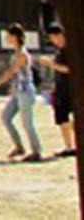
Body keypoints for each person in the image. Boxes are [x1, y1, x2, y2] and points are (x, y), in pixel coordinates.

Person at [0, 22, 43, 161]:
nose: (7, 38)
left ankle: (36, 151)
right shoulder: (17, 52)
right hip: (19, 91)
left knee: (27, 122)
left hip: (25, 91)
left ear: (15, 36)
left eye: (9, 35)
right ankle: (19, 146)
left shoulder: (22, 53)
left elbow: (12, 71)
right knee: (6, 117)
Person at [47, 24, 75, 157]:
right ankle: (69, 146)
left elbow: (70, 69)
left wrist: (51, 64)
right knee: (62, 117)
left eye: (52, 37)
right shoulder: (59, 51)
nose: (52, 40)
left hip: (70, 89)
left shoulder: (70, 50)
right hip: (61, 88)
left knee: (69, 117)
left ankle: (71, 146)